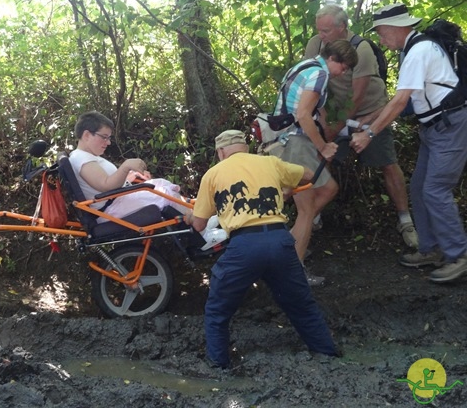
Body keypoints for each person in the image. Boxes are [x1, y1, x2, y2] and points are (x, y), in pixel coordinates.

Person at [187, 130, 338, 369]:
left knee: (217, 311)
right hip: (279, 241)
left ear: (221, 151)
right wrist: (285, 187)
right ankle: (328, 356)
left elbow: (198, 224)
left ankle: (218, 367)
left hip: (244, 246)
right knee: (302, 305)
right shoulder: (270, 162)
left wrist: (189, 216)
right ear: (244, 148)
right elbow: (308, 175)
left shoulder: (213, 174)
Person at [350, 3, 467, 283]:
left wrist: (369, 134)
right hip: (436, 128)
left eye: (380, 32)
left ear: (397, 27)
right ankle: (431, 249)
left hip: (450, 126)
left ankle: (459, 256)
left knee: (435, 189)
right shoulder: (413, 50)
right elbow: (404, 101)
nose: (380, 39)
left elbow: (401, 101)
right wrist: (369, 118)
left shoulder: (418, 51)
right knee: (419, 188)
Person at [303, 5, 418, 248]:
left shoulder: (362, 48)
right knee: (322, 159)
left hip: (369, 113)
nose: (321, 36)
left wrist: (335, 129)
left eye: (326, 31)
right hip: (335, 113)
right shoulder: (315, 45)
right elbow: (312, 81)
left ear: (342, 27)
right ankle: (311, 216)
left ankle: (405, 219)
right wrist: (324, 122)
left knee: (387, 162)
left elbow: (356, 98)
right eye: (319, 30)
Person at [69, 111, 226, 250]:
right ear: (87, 135)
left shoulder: (87, 157)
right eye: (104, 137)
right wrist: (125, 167)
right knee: (165, 195)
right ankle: (202, 235)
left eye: (109, 138)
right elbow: (105, 185)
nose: (108, 142)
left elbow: (106, 183)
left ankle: (197, 220)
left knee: (161, 185)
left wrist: (129, 177)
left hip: (116, 201)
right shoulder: (81, 158)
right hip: (110, 209)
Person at [270, 39, 358, 285]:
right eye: (345, 67)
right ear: (334, 60)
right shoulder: (319, 74)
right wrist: (323, 146)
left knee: (328, 190)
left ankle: (293, 241)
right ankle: (292, 271)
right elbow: (302, 114)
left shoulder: (306, 66)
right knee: (307, 211)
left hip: (291, 141)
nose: (344, 73)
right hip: (295, 143)